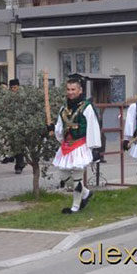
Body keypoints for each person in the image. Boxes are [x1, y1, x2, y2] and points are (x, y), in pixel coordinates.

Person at [52, 78, 101, 214]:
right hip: (67, 145)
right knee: (63, 175)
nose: (70, 92)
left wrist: (95, 148)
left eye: (73, 89)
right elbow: (60, 127)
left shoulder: (87, 107)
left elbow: (93, 127)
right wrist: (53, 129)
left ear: (80, 90)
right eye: (68, 89)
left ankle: (75, 206)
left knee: (77, 177)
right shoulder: (64, 108)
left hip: (81, 145)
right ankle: (85, 193)